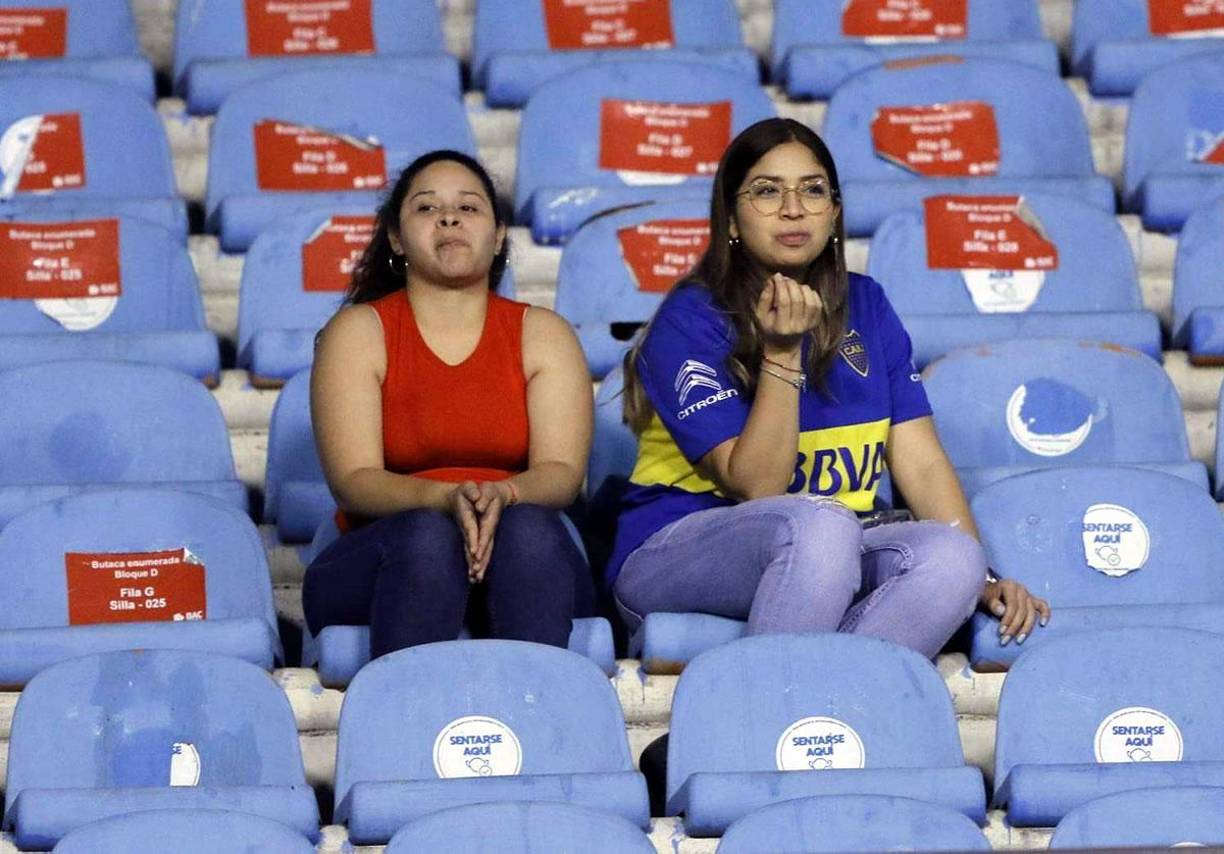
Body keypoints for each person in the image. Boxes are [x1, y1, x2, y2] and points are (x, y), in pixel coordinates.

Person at [608, 119, 1049, 659]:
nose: (793, 209)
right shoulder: (690, 319)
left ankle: (829, 701)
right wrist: (782, 353)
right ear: (731, 218)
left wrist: (986, 578)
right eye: (767, 191)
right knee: (820, 525)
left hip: (834, 544)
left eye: (813, 190)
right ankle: (775, 705)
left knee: (954, 558)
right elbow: (761, 488)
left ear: (835, 213)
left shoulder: (867, 304)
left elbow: (921, 462)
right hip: (675, 552)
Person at [302, 150, 594, 660]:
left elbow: (563, 474)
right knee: (428, 538)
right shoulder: (358, 332)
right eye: (426, 207)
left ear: (498, 236)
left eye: (469, 207)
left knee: (528, 530)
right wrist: (445, 500)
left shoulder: (545, 334)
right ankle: (404, 709)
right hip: (385, 561)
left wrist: (503, 494)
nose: (449, 218)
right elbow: (353, 481)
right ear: (396, 237)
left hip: (523, 558)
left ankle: (538, 706)